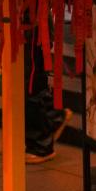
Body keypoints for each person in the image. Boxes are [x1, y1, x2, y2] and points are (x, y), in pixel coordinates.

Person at [24, 26, 72, 163]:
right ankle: (54, 116)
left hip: (33, 21)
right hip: (27, 22)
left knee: (31, 77)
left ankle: (41, 143)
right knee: (30, 76)